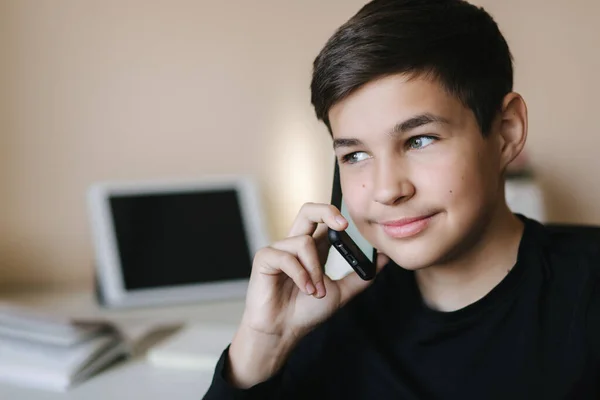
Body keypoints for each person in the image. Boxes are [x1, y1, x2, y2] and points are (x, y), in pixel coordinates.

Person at [204, 0, 600, 398]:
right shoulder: (326, 324)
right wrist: (261, 346)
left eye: (419, 140)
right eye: (355, 155)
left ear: (506, 132)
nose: (387, 190)